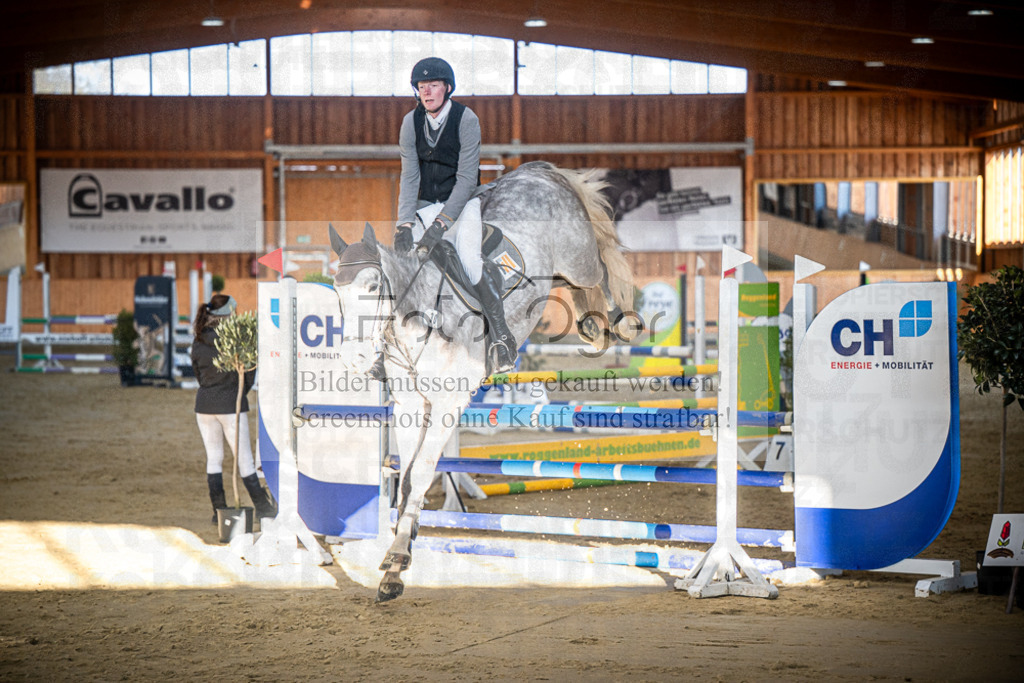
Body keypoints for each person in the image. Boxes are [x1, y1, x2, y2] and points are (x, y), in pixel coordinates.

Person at [394, 56, 518, 372]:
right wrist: (403, 224)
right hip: (424, 205)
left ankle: (502, 337)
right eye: (422, 86)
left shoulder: (466, 119)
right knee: (406, 265)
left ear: (447, 88)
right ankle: (395, 343)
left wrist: (442, 224)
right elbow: (409, 175)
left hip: (463, 204)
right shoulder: (410, 123)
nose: (426, 92)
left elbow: (466, 178)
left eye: (433, 85)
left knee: (470, 262)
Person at [191, 294, 276, 523]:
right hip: (230, 404)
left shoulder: (198, 339)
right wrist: (238, 393)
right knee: (245, 460)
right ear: (228, 313)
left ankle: (218, 511)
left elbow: (198, 373)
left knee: (214, 459)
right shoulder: (236, 338)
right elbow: (248, 373)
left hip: (204, 405)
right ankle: (263, 508)